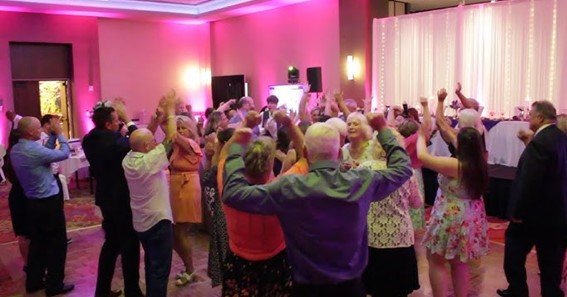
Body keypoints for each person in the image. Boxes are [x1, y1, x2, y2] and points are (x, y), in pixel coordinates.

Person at [222, 112, 412, 297]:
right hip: (351, 287)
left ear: (305, 152)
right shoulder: (360, 182)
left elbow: (233, 193)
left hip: (306, 288)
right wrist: (382, 128)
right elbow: (402, 168)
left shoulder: (289, 188)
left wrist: (238, 146)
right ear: (338, 153)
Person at [417, 89, 489, 297]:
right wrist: (439, 103)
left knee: (436, 260)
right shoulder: (479, 162)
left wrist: (422, 135)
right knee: (460, 264)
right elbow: (445, 128)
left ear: (461, 144)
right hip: (470, 217)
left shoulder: (455, 165)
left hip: (452, 218)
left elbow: (422, 156)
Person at [498, 101, 567, 297]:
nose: (528, 118)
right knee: (552, 260)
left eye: (531, 115)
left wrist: (517, 212)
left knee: (514, 251)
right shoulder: (561, 137)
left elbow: (530, 180)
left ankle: (517, 290)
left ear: (540, 118)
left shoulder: (540, 142)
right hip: (557, 212)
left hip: (533, 214)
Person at [82, 99, 144, 297]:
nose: (120, 123)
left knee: (111, 244)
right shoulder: (114, 143)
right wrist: (128, 119)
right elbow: (139, 142)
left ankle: (101, 291)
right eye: (117, 121)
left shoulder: (90, 138)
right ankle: (132, 290)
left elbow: (116, 143)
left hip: (105, 197)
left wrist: (119, 133)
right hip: (121, 199)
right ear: (108, 124)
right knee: (130, 245)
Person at [10, 116, 74, 296]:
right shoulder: (34, 151)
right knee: (57, 244)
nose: (41, 131)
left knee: (38, 244)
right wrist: (60, 134)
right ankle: (55, 285)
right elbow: (64, 153)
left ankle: (34, 281)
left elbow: (44, 153)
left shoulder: (17, 149)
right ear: (30, 132)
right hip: (48, 203)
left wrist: (52, 136)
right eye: (39, 128)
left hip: (32, 203)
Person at [122, 94, 177, 297]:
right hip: (158, 222)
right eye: (153, 142)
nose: (156, 143)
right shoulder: (148, 162)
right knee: (159, 270)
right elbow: (171, 140)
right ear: (147, 147)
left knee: (151, 265)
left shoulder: (128, 159)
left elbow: (140, 141)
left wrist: (154, 123)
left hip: (141, 222)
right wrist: (171, 112)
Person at [169, 117, 203, 285]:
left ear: (190, 130)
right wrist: (161, 116)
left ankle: (190, 269)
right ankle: (188, 267)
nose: (180, 130)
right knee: (175, 232)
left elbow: (173, 135)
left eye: (183, 127)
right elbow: (169, 132)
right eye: (178, 127)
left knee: (180, 231)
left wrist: (169, 112)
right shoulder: (177, 146)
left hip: (187, 188)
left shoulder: (191, 144)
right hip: (178, 188)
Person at [2, 129, 30, 271]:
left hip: (16, 194)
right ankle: (31, 263)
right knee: (28, 232)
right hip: (25, 193)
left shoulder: (8, 155)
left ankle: (27, 263)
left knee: (22, 233)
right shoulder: (21, 155)